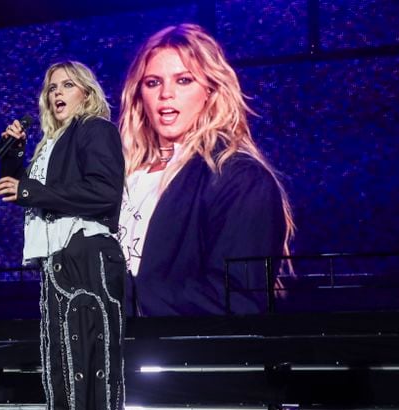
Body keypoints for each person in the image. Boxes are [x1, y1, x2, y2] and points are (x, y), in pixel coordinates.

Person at [0, 61, 141, 410]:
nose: (57, 93)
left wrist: (31, 189)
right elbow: (27, 194)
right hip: (58, 265)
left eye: (67, 85)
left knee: (90, 391)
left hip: (87, 259)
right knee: (65, 389)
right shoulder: (50, 142)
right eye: (51, 87)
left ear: (86, 92)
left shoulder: (94, 129)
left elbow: (102, 193)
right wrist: (15, 156)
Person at [117, 23, 295, 316]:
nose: (166, 94)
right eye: (153, 83)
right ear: (139, 95)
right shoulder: (122, 177)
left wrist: (118, 298)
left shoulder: (238, 178)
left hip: (174, 355)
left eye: (183, 80)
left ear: (210, 91)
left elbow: (237, 296)